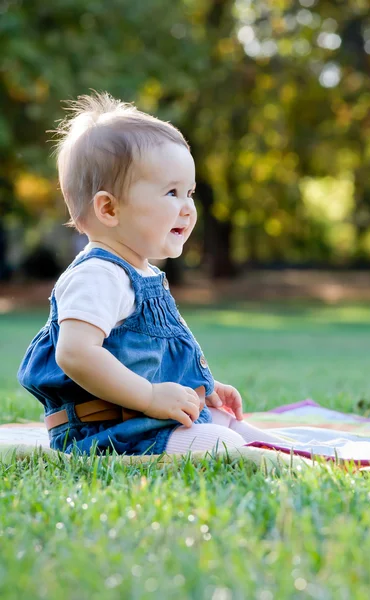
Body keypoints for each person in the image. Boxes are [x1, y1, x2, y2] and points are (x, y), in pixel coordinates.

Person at [18, 92, 271, 456]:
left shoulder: (141, 273)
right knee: (224, 445)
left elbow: (145, 356)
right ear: (108, 208)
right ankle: (269, 454)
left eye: (191, 193)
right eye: (172, 192)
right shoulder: (98, 276)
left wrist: (200, 386)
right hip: (105, 430)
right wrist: (150, 396)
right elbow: (74, 354)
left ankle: (296, 452)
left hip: (139, 420)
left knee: (229, 424)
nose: (187, 208)